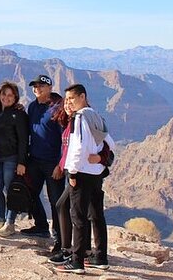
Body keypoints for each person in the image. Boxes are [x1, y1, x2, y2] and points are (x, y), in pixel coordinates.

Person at [56, 83, 111, 274]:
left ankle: (77, 261)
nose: (69, 102)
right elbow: (109, 143)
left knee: (78, 217)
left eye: (72, 98)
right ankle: (100, 257)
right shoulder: (95, 115)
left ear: (82, 97)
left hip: (81, 173)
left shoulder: (79, 117)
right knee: (96, 216)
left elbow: (77, 148)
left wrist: (72, 172)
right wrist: (101, 159)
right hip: (96, 174)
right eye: (67, 99)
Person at [21, 75, 65, 254]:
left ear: (49, 87)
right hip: (35, 160)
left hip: (53, 163)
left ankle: (60, 240)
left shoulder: (59, 108)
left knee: (56, 202)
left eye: (41, 85)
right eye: (35, 85)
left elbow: (65, 139)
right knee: (29, 193)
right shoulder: (32, 107)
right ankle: (40, 226)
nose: (37, 88)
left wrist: (60, 165)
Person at [0, 81, 29, 237]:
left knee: (11, 191)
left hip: (12, 158)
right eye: (4, 94)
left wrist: (22, 162)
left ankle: (10, 223)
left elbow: (24, 140)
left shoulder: (19, 114)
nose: (7, 98)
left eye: (10, 95)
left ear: (15, 97)